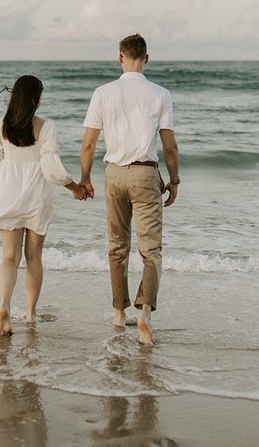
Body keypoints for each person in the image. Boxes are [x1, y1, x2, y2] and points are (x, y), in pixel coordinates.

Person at [79, 34, 179, 345]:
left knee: (116, 247)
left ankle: (119, 314)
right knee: (151, 250)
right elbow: (170, 146)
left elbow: (89, 144)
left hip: (114, 175)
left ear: (120, 57)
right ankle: (144, 314)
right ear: (147, 58)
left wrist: (85, 178)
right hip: (145, 174)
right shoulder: (160, 94)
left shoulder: (103, 93)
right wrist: (174, 181)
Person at [0, 75, 86, 336]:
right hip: (36, 196)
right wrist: (74, 187)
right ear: (36, 99)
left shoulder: (0, 126)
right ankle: (30, 314)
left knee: (9, 257)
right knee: (33, 257)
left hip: (8, 192)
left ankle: (4, 307)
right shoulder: (45, 127)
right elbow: (51, 168)